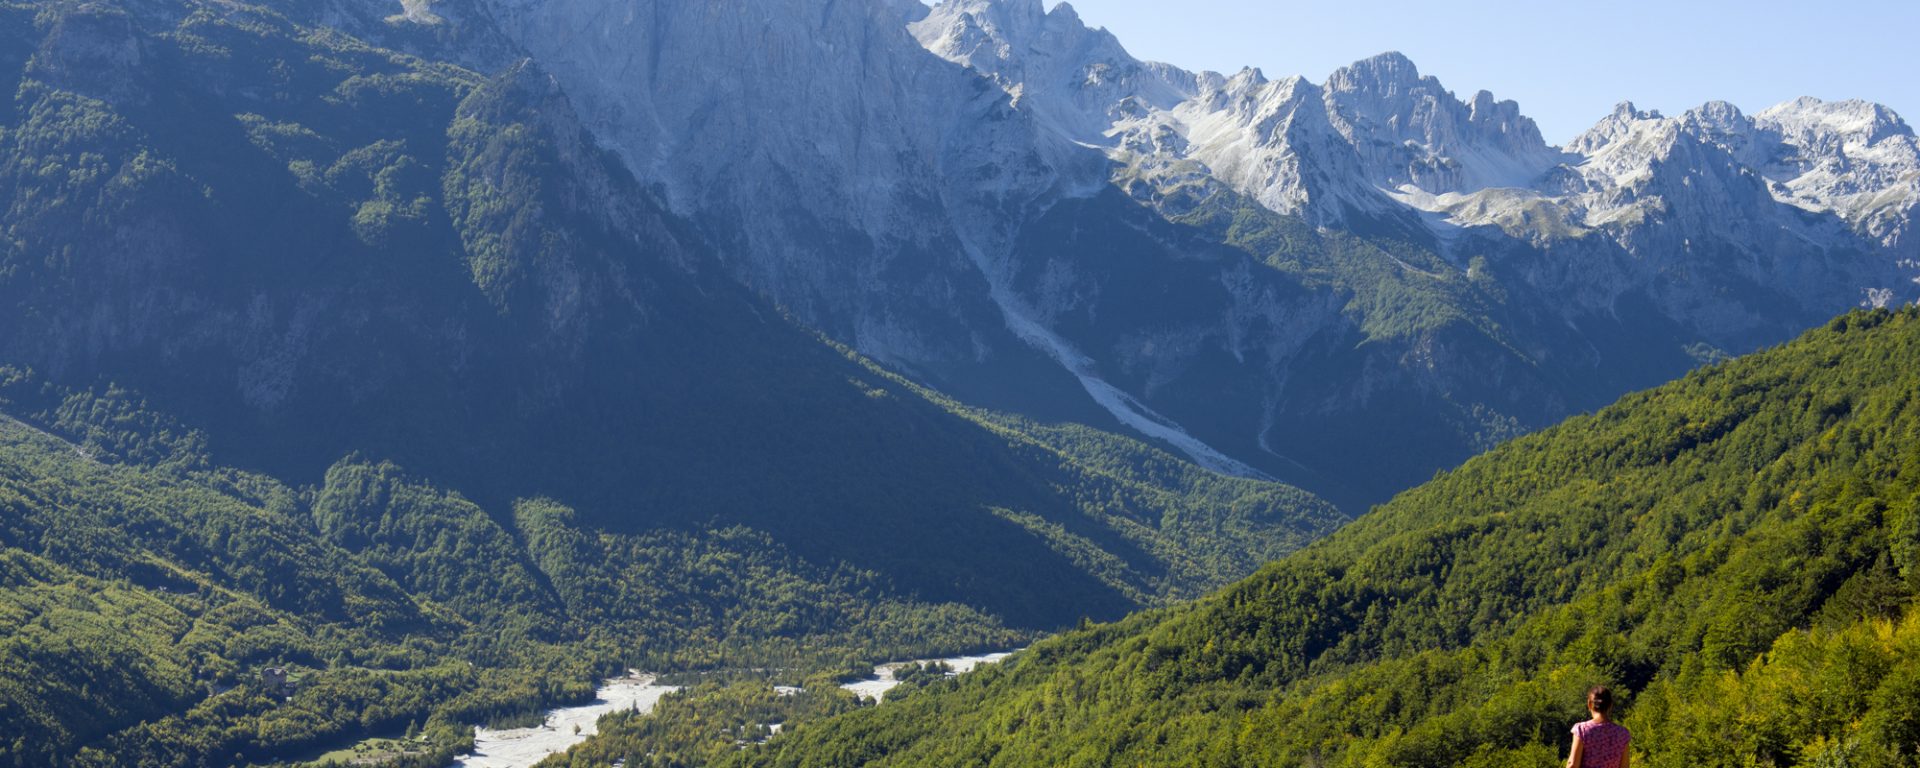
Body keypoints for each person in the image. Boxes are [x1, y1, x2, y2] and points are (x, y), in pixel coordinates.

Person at [1565, 685, 1631, 768]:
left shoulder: (1582, 730)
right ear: (1610, 705)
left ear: (1589, 704)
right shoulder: (1622, 733)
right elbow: (1625, 766)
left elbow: (1572, 764)